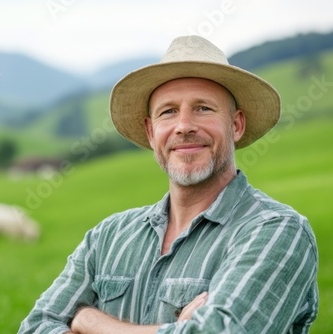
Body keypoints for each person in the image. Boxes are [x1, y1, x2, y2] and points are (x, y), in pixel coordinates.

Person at [18, 35, 319, 333]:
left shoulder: (277, 230)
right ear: (151, 132)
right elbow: (35, 327)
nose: (184, 126)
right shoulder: (107, 238)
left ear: (236, 125)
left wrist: (90, 321)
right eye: (168, 111)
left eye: (203, 108)